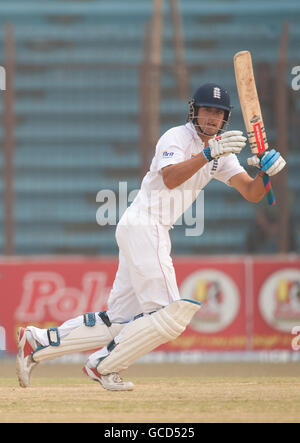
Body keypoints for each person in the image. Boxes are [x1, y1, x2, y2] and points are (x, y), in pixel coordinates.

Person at [16, 83, 286, 391]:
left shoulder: (221, 154)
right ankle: (103, 365)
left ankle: (38, 341)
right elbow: (170, 178)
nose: (212, 119)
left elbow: (251, 192)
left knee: (116, 321)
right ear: (194, 111)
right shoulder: (177, 137)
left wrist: (265, 173)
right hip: (146, 224)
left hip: (144, 228)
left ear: (225, 119)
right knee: (170, 316)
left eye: (219, 114)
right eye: (207, 111)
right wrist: (209, 152)